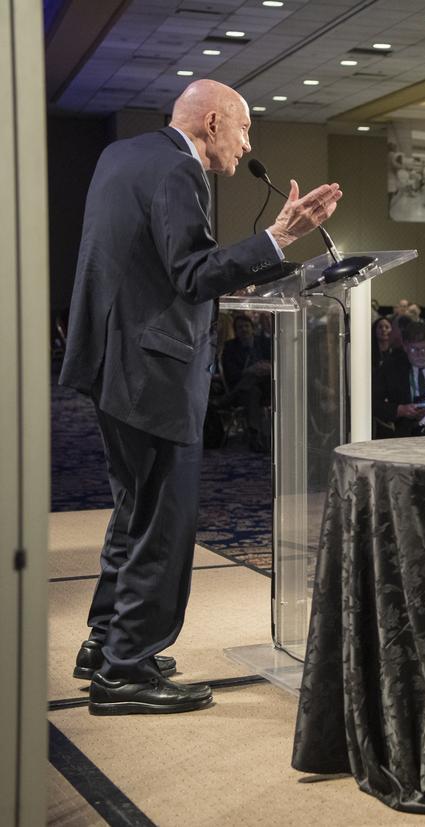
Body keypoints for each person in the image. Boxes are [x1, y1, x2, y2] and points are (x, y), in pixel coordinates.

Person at [59, 79, 342, 714]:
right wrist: (278, 239)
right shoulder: (179, 174)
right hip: (152, 370)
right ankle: (126, 673)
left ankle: (107, 643)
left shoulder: (124, 156)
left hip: (113, 361)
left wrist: (269, 246)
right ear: (212, 123)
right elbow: (191, 274)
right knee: (164, 521)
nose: (245, 146)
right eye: (243, 130)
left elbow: (150, 263)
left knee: (135, 511)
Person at [372, 320, 425, 438]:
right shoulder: (391, 368)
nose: (420, 354)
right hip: (406, 433)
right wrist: (400, 410)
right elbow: (373, 403)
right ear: (405, 346)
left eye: (424, 348)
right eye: (414, 349)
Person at [218, 314, 272, 453]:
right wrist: (249, 371)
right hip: (245, 390)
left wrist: (266, 367)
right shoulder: (230, 347)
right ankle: (256, 436)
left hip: (268, 385)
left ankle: (227, 399)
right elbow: (231, 374)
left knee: (256, 380)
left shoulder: (264, 342)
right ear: (236, 331)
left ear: (252, 328)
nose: (244, 330)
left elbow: (277, 363)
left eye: (246, 326)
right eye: (240, 327)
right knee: (252, 390)